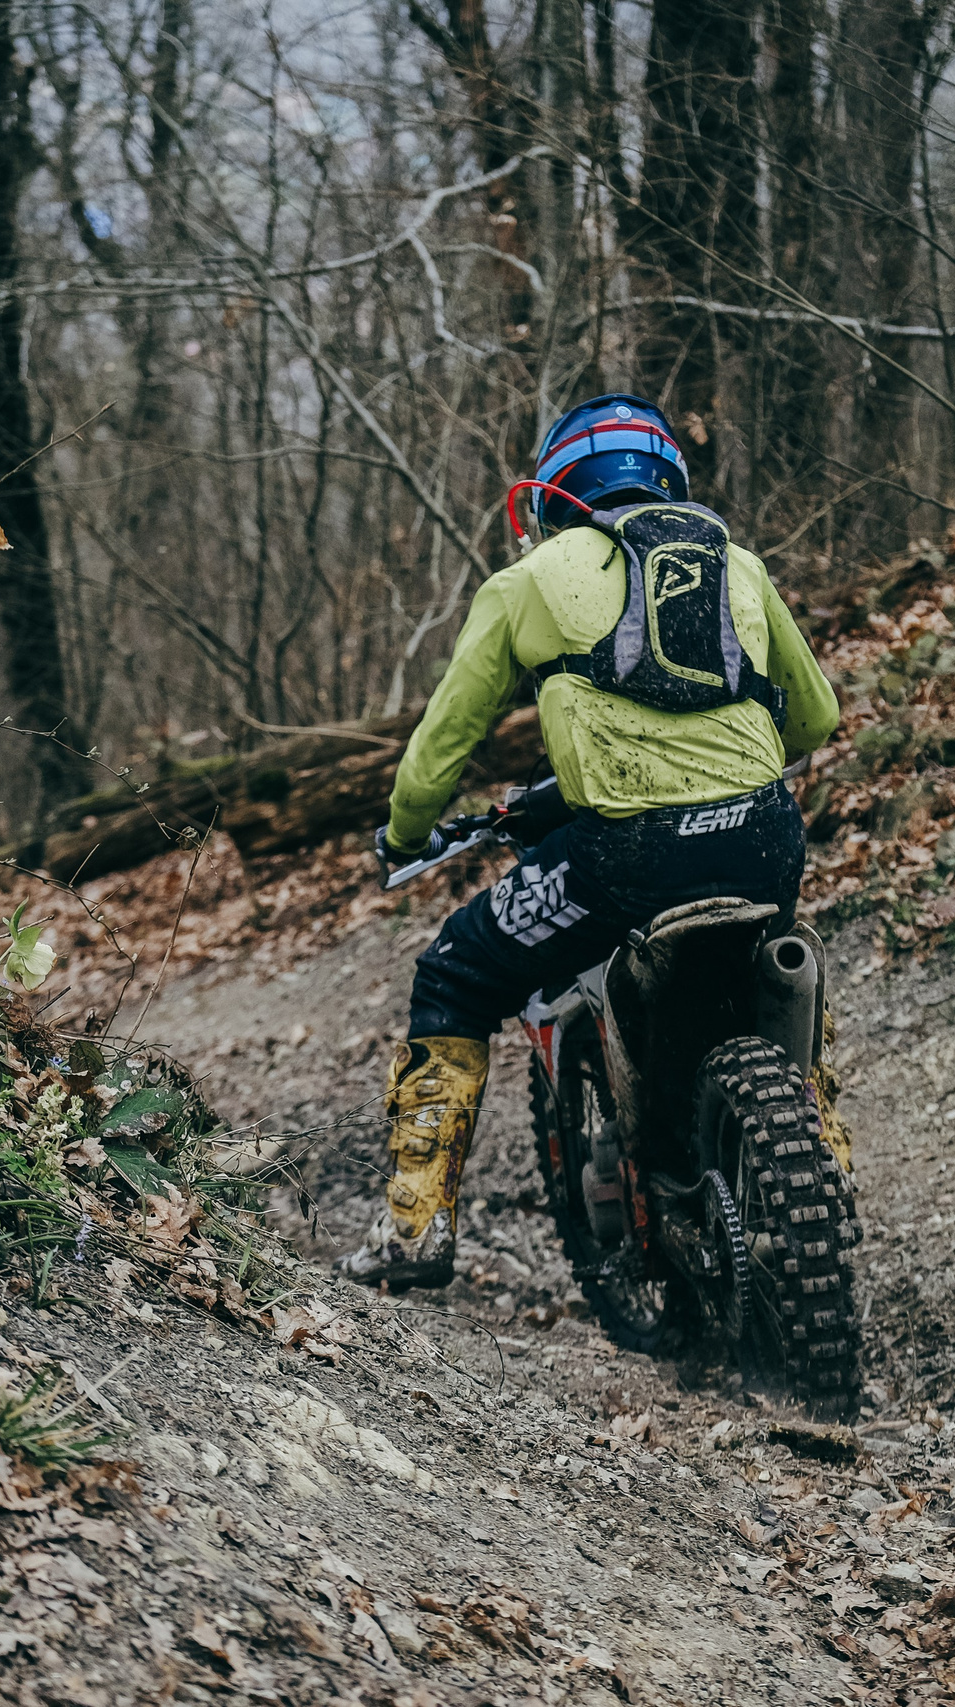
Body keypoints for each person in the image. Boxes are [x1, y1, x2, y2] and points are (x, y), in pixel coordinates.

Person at [338, 395, 841, 1290]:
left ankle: (414, 1230)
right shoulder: (740, 566)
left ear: (554, 496)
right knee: (776, 963)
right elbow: (817, 717)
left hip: (632, 855)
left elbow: (436, 754)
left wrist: (404, 832)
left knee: (453, 972)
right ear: (668, 485)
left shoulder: (529, 580)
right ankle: (823, 1165)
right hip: (766, 837)